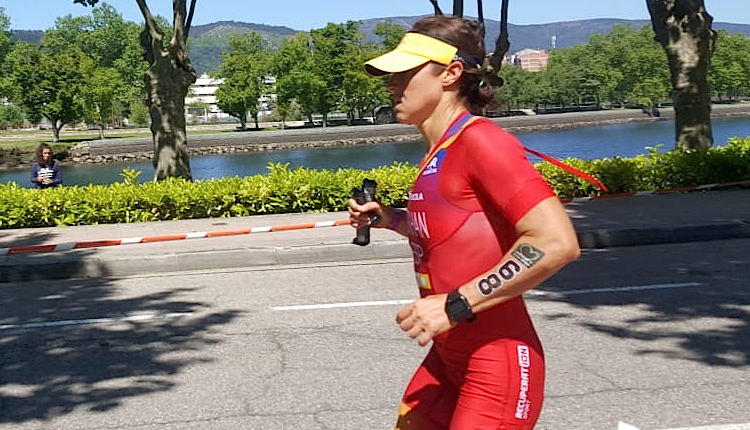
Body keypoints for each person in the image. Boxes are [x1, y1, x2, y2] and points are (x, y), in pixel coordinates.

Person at [348, 15, 580, 430]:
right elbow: (459, 232)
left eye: (405, 73)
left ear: (451, 73)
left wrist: (456, 304)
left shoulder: (481, 140)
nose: (392, 85)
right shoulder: (442, 148)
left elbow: (555, 242)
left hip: (496, 362)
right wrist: (391, 219)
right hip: (448, 355)